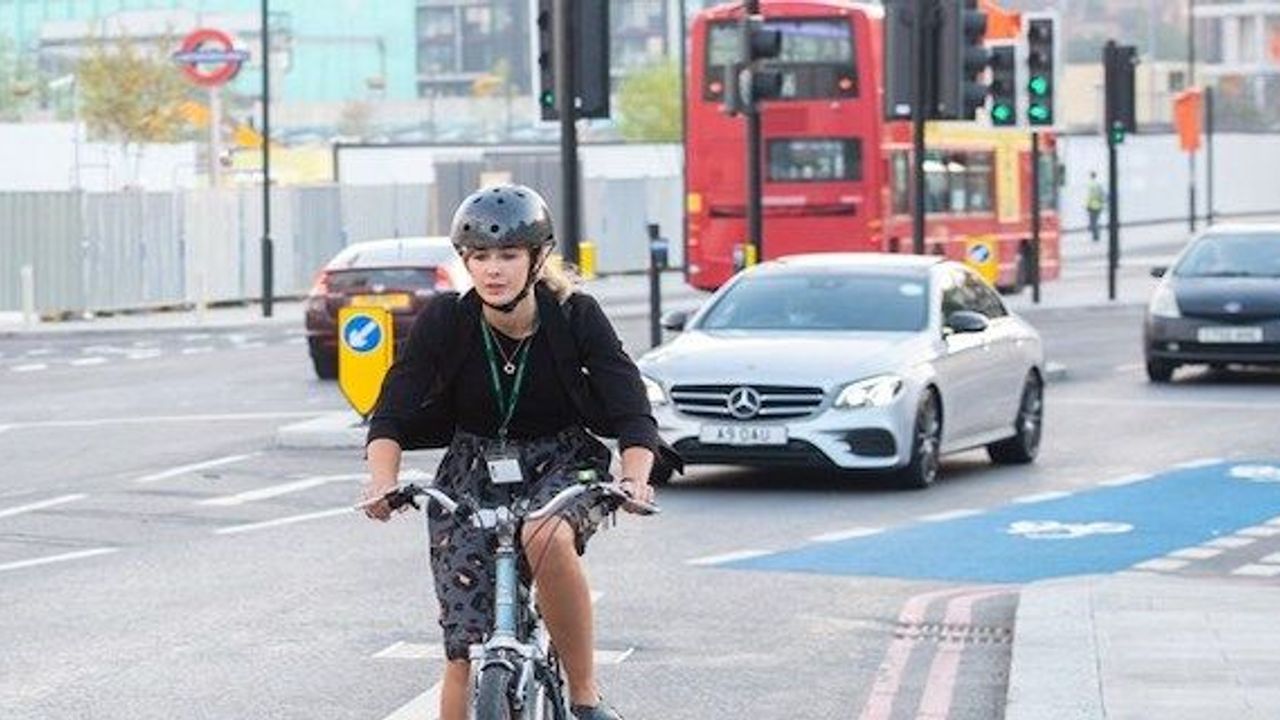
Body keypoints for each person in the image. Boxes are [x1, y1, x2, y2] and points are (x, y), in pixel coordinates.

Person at [361, 183, 666, 720]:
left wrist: (635, 478)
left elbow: (630, 407)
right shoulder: (446, 320)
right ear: (465, 261)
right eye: (479, 256)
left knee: (543, 533)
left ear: (536, 258)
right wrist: (382, 482)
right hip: (471, 468)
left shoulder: (574, 315)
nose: (493, 269)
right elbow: (392, 410)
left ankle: (585, 698)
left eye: (507, 255)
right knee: (464, 650)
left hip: (563, 460)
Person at [1085, 171, 1106, 242]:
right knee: (1095, 221)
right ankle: (1096, 235)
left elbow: (1090, 197)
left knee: (1093, 221)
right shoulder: (1099, 184)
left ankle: (1095, 235)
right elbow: (1103, 195)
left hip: (1092, 206)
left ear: (1091, 176)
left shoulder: (1091, 185)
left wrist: (1087, 205)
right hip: (1099, 206)